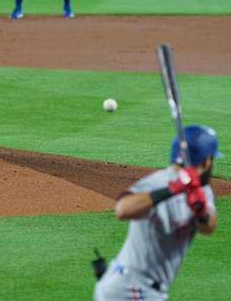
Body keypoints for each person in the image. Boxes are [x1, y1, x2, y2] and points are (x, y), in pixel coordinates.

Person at [94, 125, 221, 301]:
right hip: (129, 288)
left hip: (148, 290)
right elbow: (122, 209)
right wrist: (174, 189)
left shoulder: (202, 189)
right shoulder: (157, 182)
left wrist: (199, 210)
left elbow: (209, 227)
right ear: (207, 161)